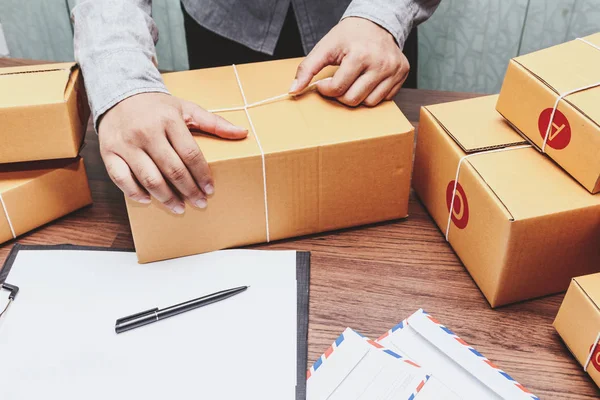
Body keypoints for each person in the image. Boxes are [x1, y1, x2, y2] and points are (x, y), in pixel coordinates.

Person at [72, 0, 440, 214]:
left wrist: (384, 15)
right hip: (226, 23)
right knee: (227, 194)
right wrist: (122, 82)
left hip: (368, 35)